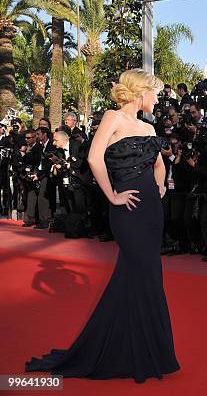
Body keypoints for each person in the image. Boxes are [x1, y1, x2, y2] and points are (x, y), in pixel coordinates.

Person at [26, 69, 180, 383]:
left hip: (151, 209)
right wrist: (112, 195)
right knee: (141, 275)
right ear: (140, 92)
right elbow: (95, 159)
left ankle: (142, 351)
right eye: (154, 92)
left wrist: (161, 186)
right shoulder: (113, 117)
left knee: (145, 277)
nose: (157, 98)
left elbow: (159, 164)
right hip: (127, 209)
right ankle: (126, 351)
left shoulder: (149, 129)